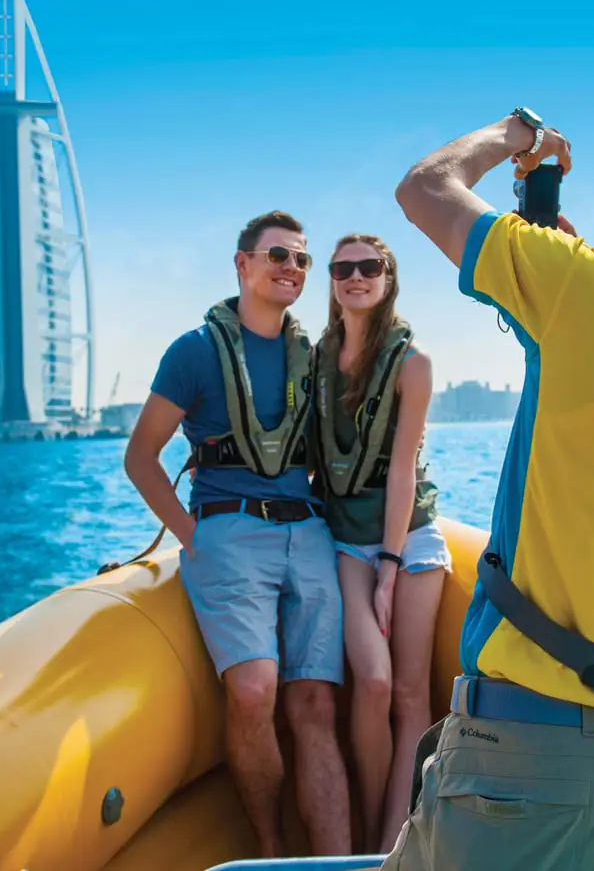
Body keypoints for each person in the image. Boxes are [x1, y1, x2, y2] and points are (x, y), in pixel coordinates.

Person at [381, 108, 594, 871]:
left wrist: (516, 139)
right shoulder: (582, 290)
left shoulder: (583, 289)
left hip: (527, 770)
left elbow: (426, 189)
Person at [124, 210, 351, 860]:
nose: (292, 268)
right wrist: (193, 536)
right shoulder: (193, 352)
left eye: (303, 260)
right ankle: (271, 850)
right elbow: (141, 456)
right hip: (228, 533)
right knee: (254, 690)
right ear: (242, 264)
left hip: (306, 534)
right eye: (278, 255)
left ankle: (336, 862)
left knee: (314, 704)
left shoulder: (315, 356)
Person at [312, 233, 450, 854]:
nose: (356, 276)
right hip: (345, 542)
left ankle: (393, 845)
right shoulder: (315, 360)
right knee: (370, 681)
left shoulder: (413, 364)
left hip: (410, 539)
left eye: (371, 267)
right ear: (333, 281)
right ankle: (369, 831)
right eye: (344, 268)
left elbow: (402, 470)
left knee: (409, 692)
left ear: (388, 278)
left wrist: (390, 567)